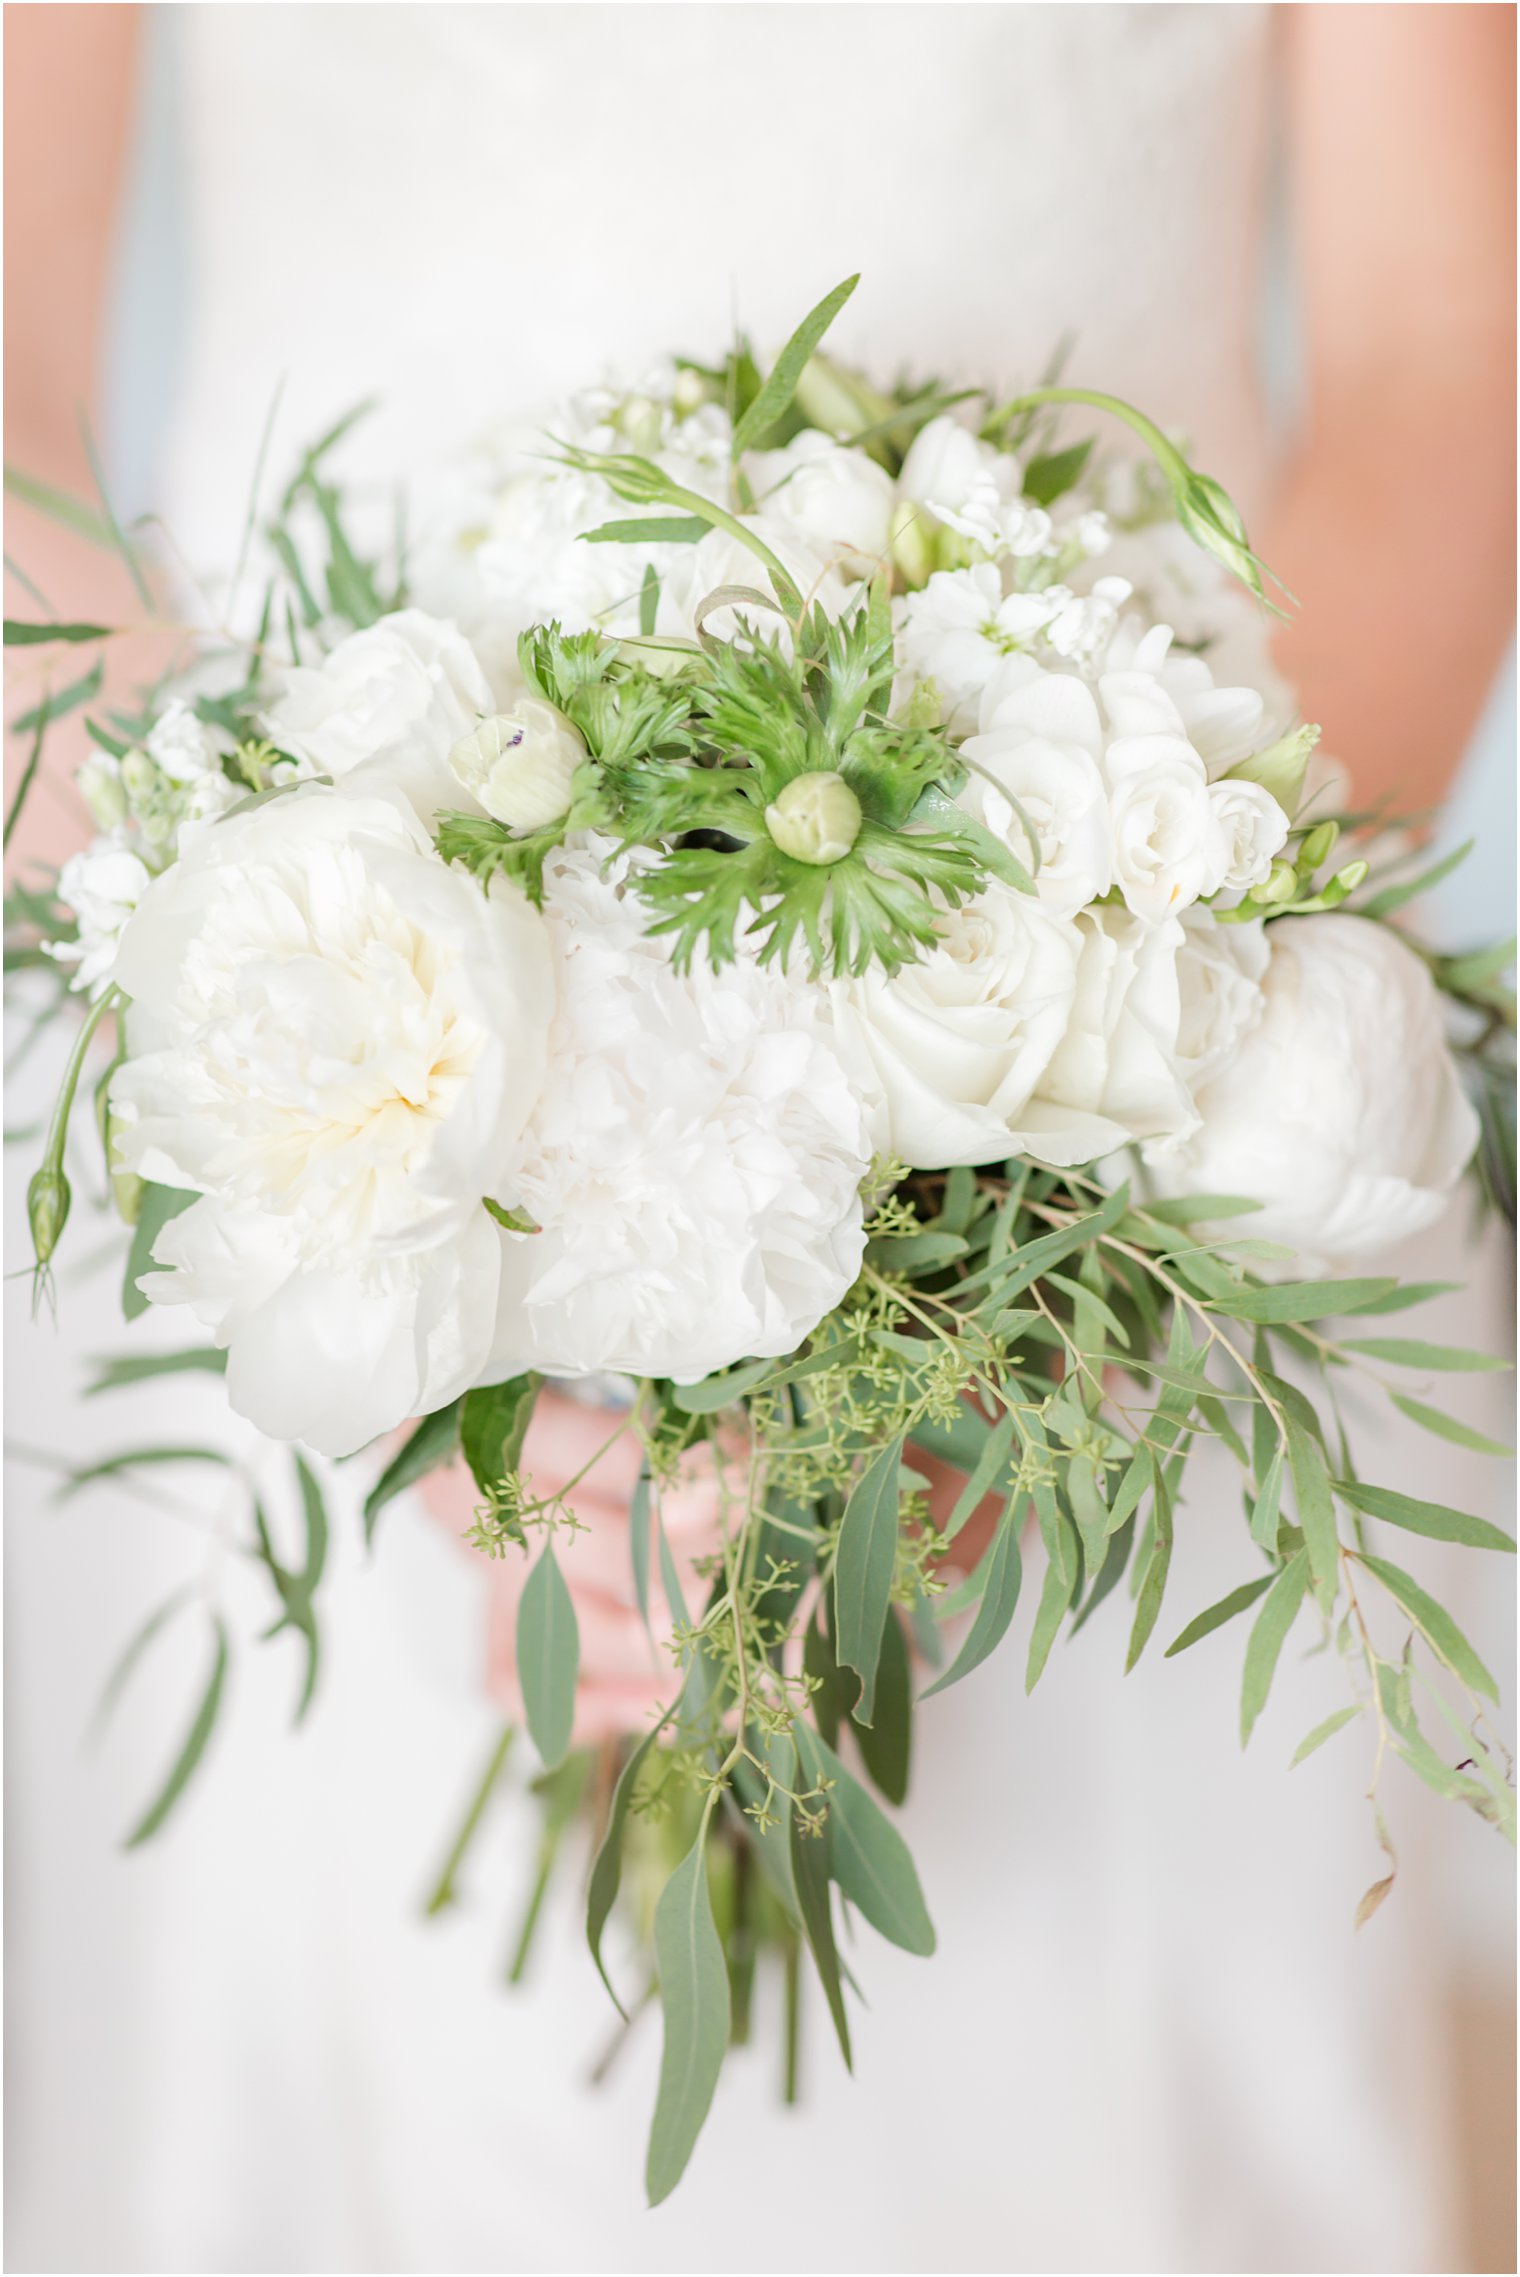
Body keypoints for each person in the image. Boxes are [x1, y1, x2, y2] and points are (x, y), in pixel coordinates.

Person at [5, 7, 1514, 2271]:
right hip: (295, 1052)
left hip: (1131, 1101)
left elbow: (1438, 347)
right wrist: (336, 1191)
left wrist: (1059, 1183)